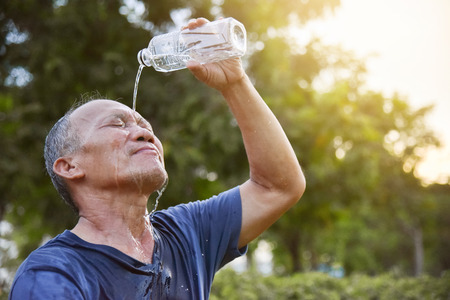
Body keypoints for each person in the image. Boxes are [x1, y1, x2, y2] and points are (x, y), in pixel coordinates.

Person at [9, 18, 305, 299]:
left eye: (146, 127)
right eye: (117, 123)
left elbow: (278, 187)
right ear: (70, 166)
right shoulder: (53, 274)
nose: (144, 133)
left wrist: (235, 82)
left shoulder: (186, 233)